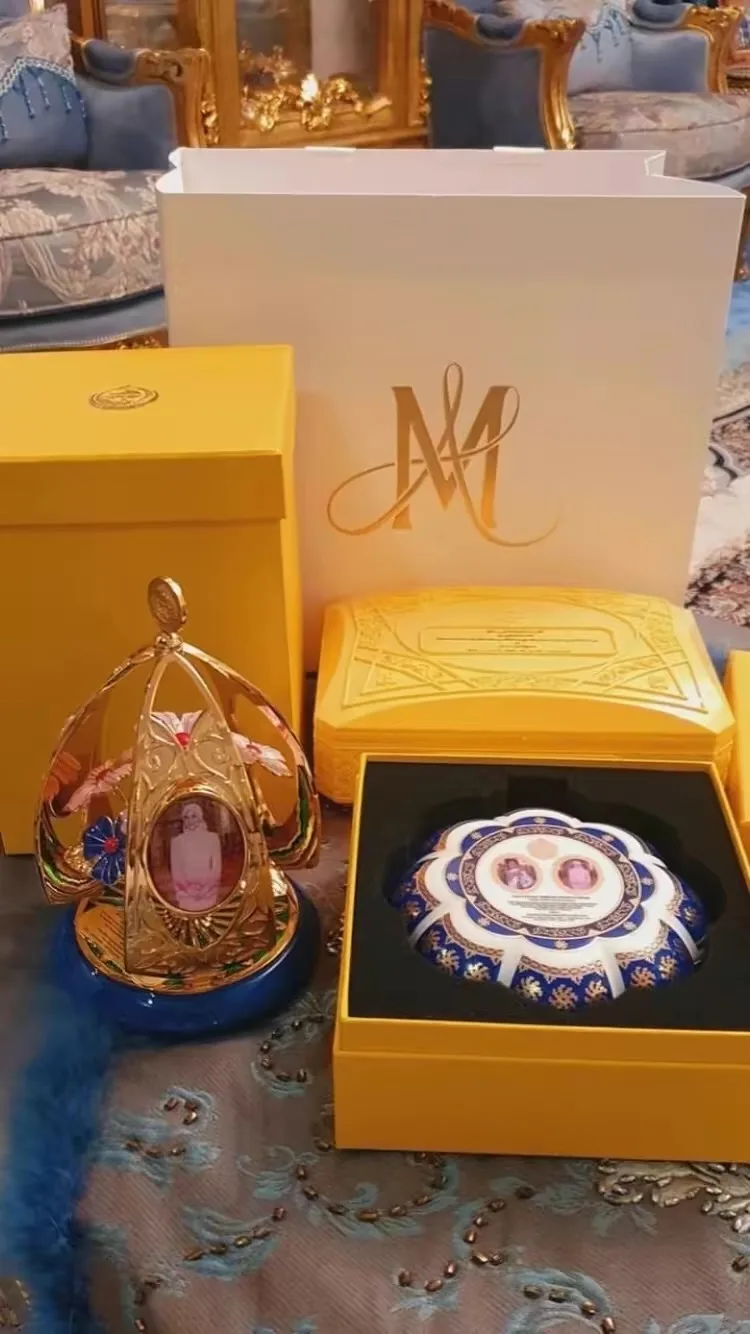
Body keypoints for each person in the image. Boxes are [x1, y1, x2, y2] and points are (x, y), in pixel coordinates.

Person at [169, 802, 222, 911]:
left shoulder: (212, 838)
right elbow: (176, 871)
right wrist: (188, 891)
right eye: (186, 817)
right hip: (186, 894)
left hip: (209, 892)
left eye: (194, 816)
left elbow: (216, 868)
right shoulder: (177, 842)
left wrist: (206, 889)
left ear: (200, 817)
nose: (190, 820)